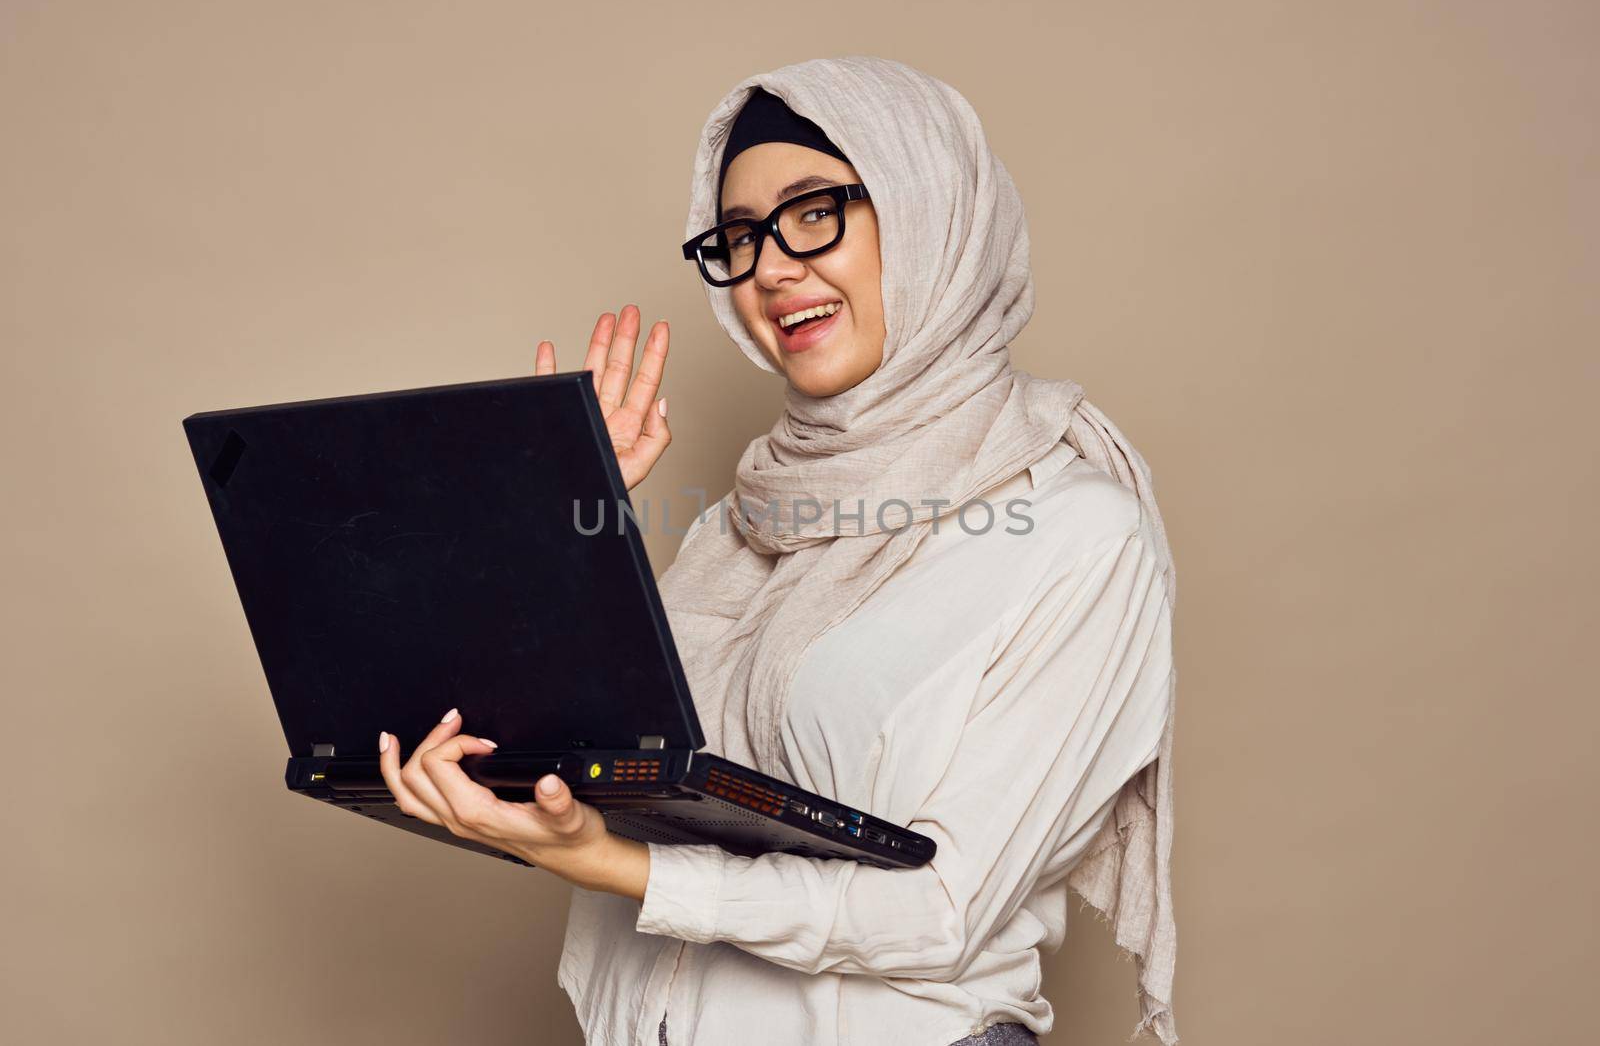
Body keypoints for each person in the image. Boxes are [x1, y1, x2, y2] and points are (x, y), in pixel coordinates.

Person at [375, 55, 1180, 1046]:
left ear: (930, 215)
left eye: (813, 213)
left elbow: (942, 906)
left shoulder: (1074, 532)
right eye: (741, 236)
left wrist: (622, 867)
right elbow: (598, 762)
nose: (767, 268)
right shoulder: (736, 524)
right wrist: (551, 536)